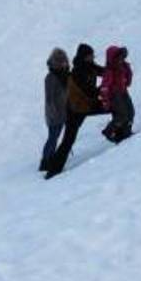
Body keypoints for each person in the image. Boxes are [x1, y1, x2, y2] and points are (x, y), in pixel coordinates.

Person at [45, 44, 108, 179]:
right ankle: (53, 169)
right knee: (69, 139)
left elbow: (102, 71)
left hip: (85, 106)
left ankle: (118, 131)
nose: (93, 57)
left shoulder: (90, 66)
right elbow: (87, 91)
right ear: (84, 57)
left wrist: (114, 68)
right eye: (90, 55)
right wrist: (101, 89)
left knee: (113, 107)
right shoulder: (78, 71)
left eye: (93, 55)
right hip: (76, 109)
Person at [41, 48, 70, 172]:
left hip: (63, 112)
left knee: (55, 137)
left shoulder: (65, 75)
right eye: (60, 61)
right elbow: (50, 99)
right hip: (54, 114)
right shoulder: (51, 77)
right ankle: (46, 161)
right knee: (52, 137)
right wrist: (55, 113)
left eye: (64, 61)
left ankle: (50, 157)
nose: (63, 63)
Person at [99, 46, 134, 144]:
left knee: (130, 112)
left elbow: (128, 79)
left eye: (122, 57)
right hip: (114, 95)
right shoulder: (110, 71)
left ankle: (125, 133)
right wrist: (105, 101)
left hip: (123, 92)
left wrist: (128, 71)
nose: (121, 59)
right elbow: (104, 87)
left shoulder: (123, 66)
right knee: (121, 116)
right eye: (118, 57)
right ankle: (108, 131)